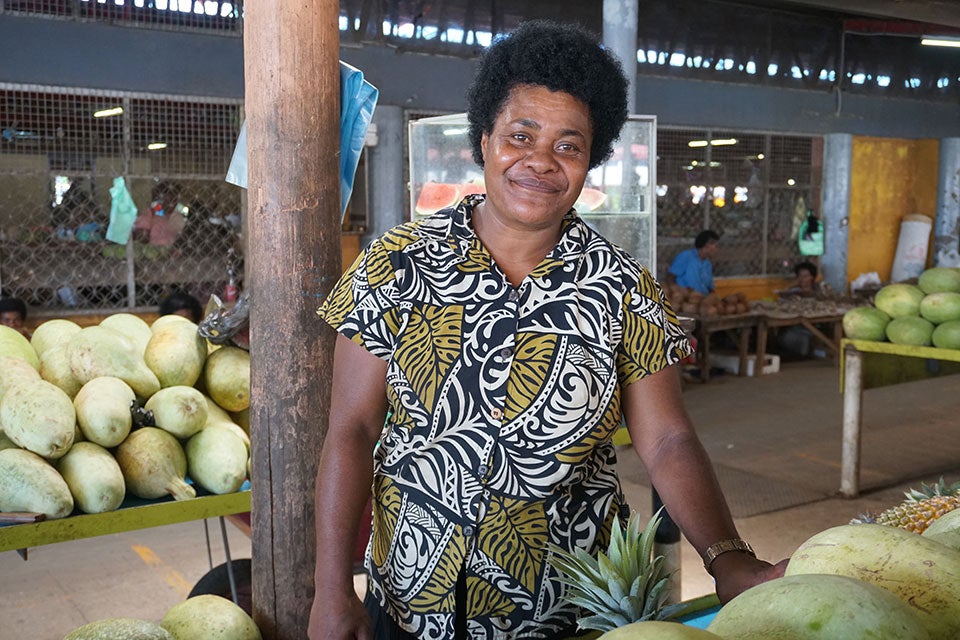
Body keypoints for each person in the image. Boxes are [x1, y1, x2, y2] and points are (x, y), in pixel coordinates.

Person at [308, 21, 784, 640]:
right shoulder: (393, 266)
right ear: (485, 140)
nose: (540, 161)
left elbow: (666, 439)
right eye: (520, 136)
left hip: (569, 613)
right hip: (411, 609)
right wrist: (332, 587)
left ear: (592, 161)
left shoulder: (623, 288)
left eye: (569, 145)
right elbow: (351, 429)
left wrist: (728, 559)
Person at [666, 230, 720, 295]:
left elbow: (710, 287)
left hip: (702, 298)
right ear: (704, 244)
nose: (715, 248)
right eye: (712, 243)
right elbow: (670, 278)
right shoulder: (686, 256)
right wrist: (678, 293)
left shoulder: (708, 264)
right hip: (686, 297)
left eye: (716, 245)